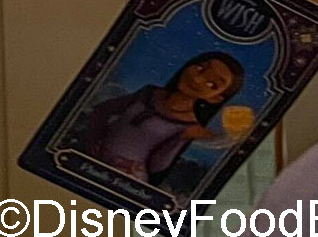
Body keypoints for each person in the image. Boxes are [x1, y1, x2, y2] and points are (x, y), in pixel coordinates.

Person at [81, 52, 246, 182]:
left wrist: (180, 138)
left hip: (124, 175)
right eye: (200, 68)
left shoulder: (187, 125)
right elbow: (103, 110)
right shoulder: (150, 93)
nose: (197, 79)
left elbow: (157, 166)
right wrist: (92, 138)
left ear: (215, 98)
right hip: (92, 158)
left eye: (212, 84)